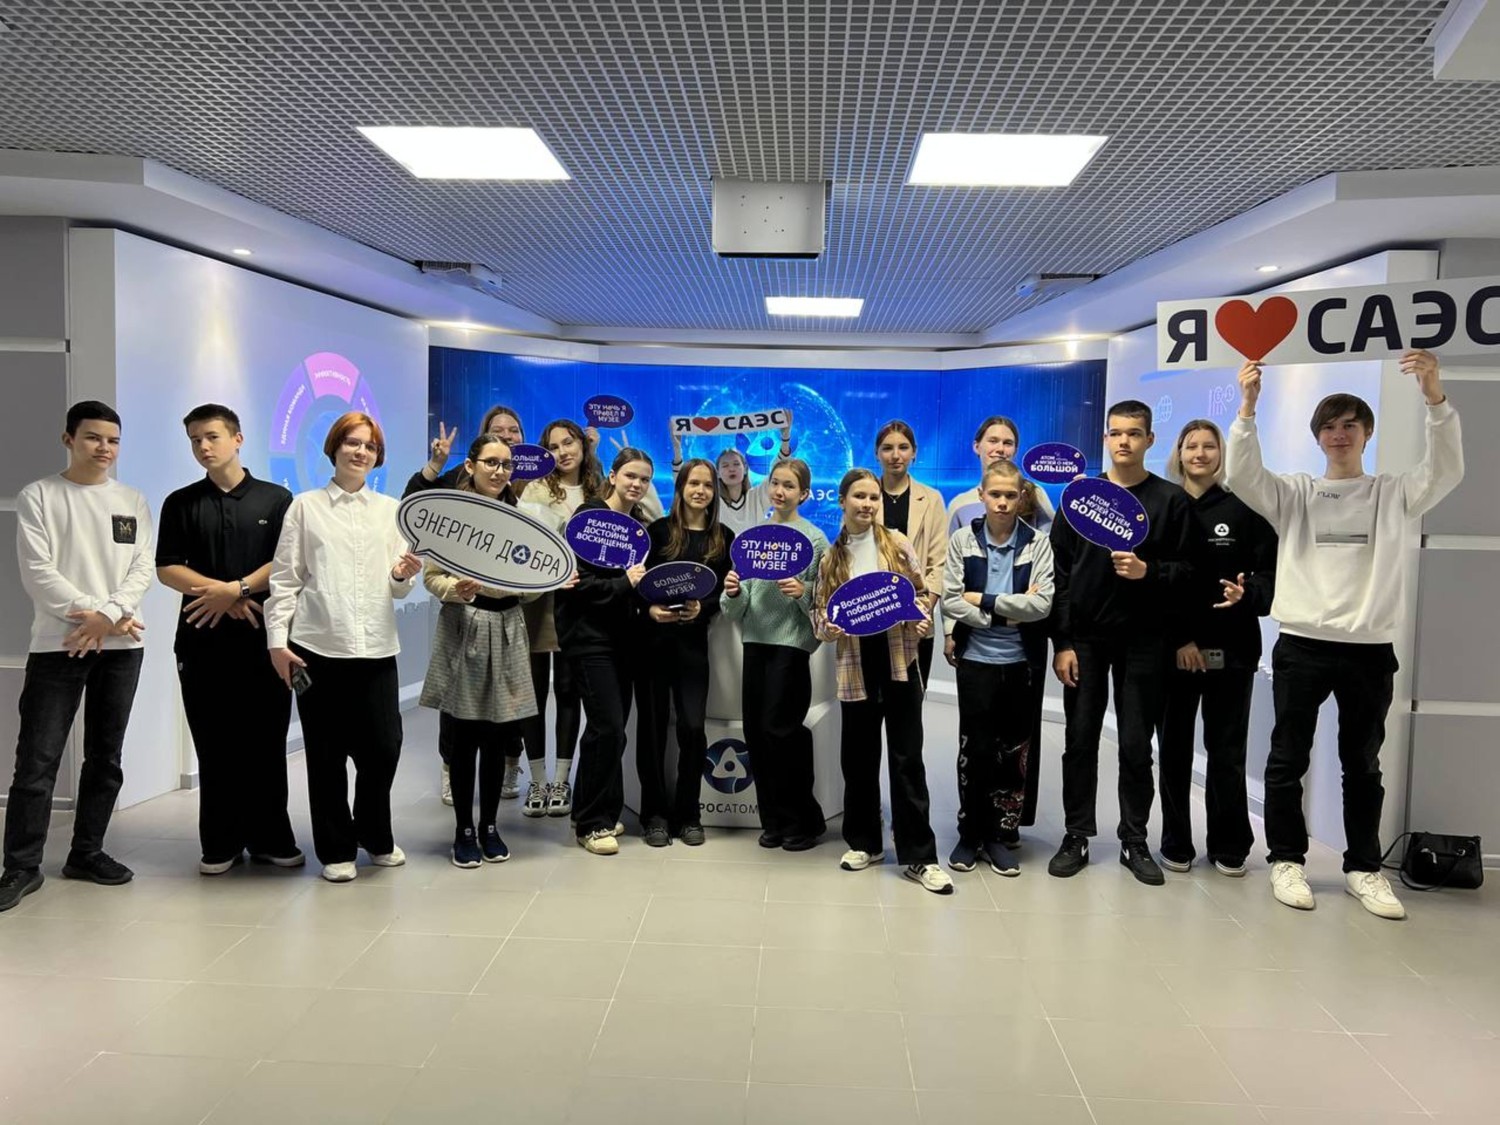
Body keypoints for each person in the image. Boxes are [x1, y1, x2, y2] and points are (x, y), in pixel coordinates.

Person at [1226, 350, 1463, 920]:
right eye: (1329, 426)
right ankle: (1287, 859)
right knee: (1287, 758)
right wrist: (1248, 408)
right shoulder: (1296, 494)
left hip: (1368, 649)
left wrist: (1435, 399)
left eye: (1350, 425)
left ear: (1366, 434)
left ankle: (1363, 868)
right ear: (1318, 437)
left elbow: (1446, 470)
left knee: (1363, 764)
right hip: (1302, 644)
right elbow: (1243, 476)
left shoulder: (1393, 493)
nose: (1339, 434)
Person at [0, 402, 151, 912]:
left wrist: (108, 617)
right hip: (58, 644)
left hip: (122, 647)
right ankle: (21, 866)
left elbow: (141, 569)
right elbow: (38, 572)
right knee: (37, 760)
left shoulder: (132, 499)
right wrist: (97, 616)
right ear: (68, 439)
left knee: (105, 757)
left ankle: (86, 852)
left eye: (112, 440)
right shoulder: (40, 496)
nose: (104, 448)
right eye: (92, 438)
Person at [265, 412, 422, 883]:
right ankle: (336, 848)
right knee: (326, 756)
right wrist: (277, 643)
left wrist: (401, 576)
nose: (360, 452)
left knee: (384, 749)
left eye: (370, 446)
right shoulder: (305, 507)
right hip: (317, 649)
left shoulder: (390, 511)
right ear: (334, 448)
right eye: (352, 443)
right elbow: (285, 579)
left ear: (378, 457)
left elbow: (398, 587)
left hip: (376, 648)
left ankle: (374, 834)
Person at [1048, 399, 1191, 886]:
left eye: (1133, 433)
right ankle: (1077, 835)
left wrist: (1149, 571)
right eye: (1115, 433)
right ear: (1105, 439)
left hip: (1145, 641)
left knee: (1134, 744)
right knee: (1079, 740)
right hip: (1086, 640)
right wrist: (1062, 642)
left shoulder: (1170, 500)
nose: (1123, 441)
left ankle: (1134, 839)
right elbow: (1059, 573)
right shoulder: (1079, 499)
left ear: (1150, 439)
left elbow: (1189, 571)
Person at [156, 404, 303, 875]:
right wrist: (220, 594)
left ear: (237, 439)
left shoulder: (276, 499)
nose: (204, 446)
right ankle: (220, 844)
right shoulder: (181, 502)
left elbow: (286, 562)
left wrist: (236, 589)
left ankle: (270, 838)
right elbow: (167, 567)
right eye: (195, 439)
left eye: (212, 436)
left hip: (264, 643)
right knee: (214, 744)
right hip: (201, 643)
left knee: (265, 743)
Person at [814, 469, 951, 895]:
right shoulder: (831, 559)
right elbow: (820, 616)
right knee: (858, 758)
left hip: (899, 661)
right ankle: (864, 844)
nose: (868, 504)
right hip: (855, 664)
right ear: (842, 501)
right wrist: (828, 628)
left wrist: (922, 619)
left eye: (873, 497)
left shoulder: (897, 544)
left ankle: (919, 856)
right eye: (859, 496)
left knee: (907, 758)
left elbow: (919, 595)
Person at [1157, 418, 1276, 878]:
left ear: (1222, 454)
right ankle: (1175, 841)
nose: (1200, 454)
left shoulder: (1245, 507)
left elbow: (1269, 572)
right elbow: (1156, 582)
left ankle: (1230, 844)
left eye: (1209, 446)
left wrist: (1250, 594)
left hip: (1233, 648)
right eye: (1192, 446)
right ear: (1179, 453)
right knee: (1174, 750)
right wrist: (1180, 639)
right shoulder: (1164, 506)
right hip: (1175, 650)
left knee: (1226, 751)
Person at [419, 435, 540, 868]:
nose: (499, 471)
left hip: (508, 628)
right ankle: (463, 831)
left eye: (506, 465)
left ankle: (489, 826)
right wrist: (458, 589)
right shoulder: (451, 516)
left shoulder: (522, 518)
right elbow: (431, 577)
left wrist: (527, 588)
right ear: (471, 465)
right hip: (465, 626)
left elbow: (532, 583)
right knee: (465, 736)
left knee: (498, 736)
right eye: (491, 462)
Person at [941, 460, 1054, 877]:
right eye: (995, 494)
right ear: (982, 496)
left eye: (1010, 495)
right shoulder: (962, 540)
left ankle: (999, 835)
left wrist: (984, 601)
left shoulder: (1038, 544)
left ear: (1021, 497)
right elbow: (952, 600)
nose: (1003, 502)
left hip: (1022, 663)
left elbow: (1041, 605)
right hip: (976, 662)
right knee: (975, 750)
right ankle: (970, 833)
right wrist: (1008, 613)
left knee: (1013, 753)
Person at [722, 459, 829, 852]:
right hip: (755, 643)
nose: (780, 491)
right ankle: (773, 821)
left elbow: (824, 602)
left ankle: (803, 821)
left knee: (781, 732)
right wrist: (733, 591)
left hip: (791, 646)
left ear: (804, 493)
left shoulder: (816, 541)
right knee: (756, 732)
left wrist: (803, 592)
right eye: (775, 483)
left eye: (789, 486)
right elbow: (734, 610)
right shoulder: (754, 538)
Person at [555, 447, 654, 855]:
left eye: (644, 479)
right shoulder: (588, 518)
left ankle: (595, 810)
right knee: (608, 727)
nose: (637, 484)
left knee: (609, 731)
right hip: (588, 640)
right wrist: (625, 584)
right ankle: (592, 825)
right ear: (612, 476)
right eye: (630, 475)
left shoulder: (639, 528)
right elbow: (576, 585)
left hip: (624, 642)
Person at [638, 459, 733, 846]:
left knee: (693, 728)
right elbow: (639, 584)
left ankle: (689, 814)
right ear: (680, 488)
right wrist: (650, 611)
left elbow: (721, 592)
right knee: (653, 730)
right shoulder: (658, 532)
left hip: (693, 647)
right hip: (653, 644)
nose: (700, 491)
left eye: (707, 485)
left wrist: (702, 608)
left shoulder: (723, 538)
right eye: (694, 483)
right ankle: (654, 815)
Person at [514, 418, 605, 819]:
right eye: (553, 446)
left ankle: (562, 780)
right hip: (538, 601)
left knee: (569, 689)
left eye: (569, 442)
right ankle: (537, 779)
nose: (562, 451)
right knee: (533, 692)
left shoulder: (599, 489)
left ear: (583, 445)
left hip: (580, 602)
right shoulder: (535, 489)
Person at [872, 420, 946, 685]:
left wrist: (922, 610)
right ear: (876, 453)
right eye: (887, 448)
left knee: (910, 701)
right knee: (872, 699)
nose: (895, 455)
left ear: (914, 452)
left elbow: (939, 564)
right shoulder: (863, 496)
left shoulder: (932, 498)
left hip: (916, 617)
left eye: (903, 447)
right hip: (872, 614)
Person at [679, 410, 794, 536]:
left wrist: (786, 438)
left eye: (736, 464)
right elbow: (682, 483)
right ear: (718, 473)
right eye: (725, 465)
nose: (731, 469)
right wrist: (677, 449)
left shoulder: (757, 497)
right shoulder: (712, 502)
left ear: (745, 469)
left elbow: (778, 471)